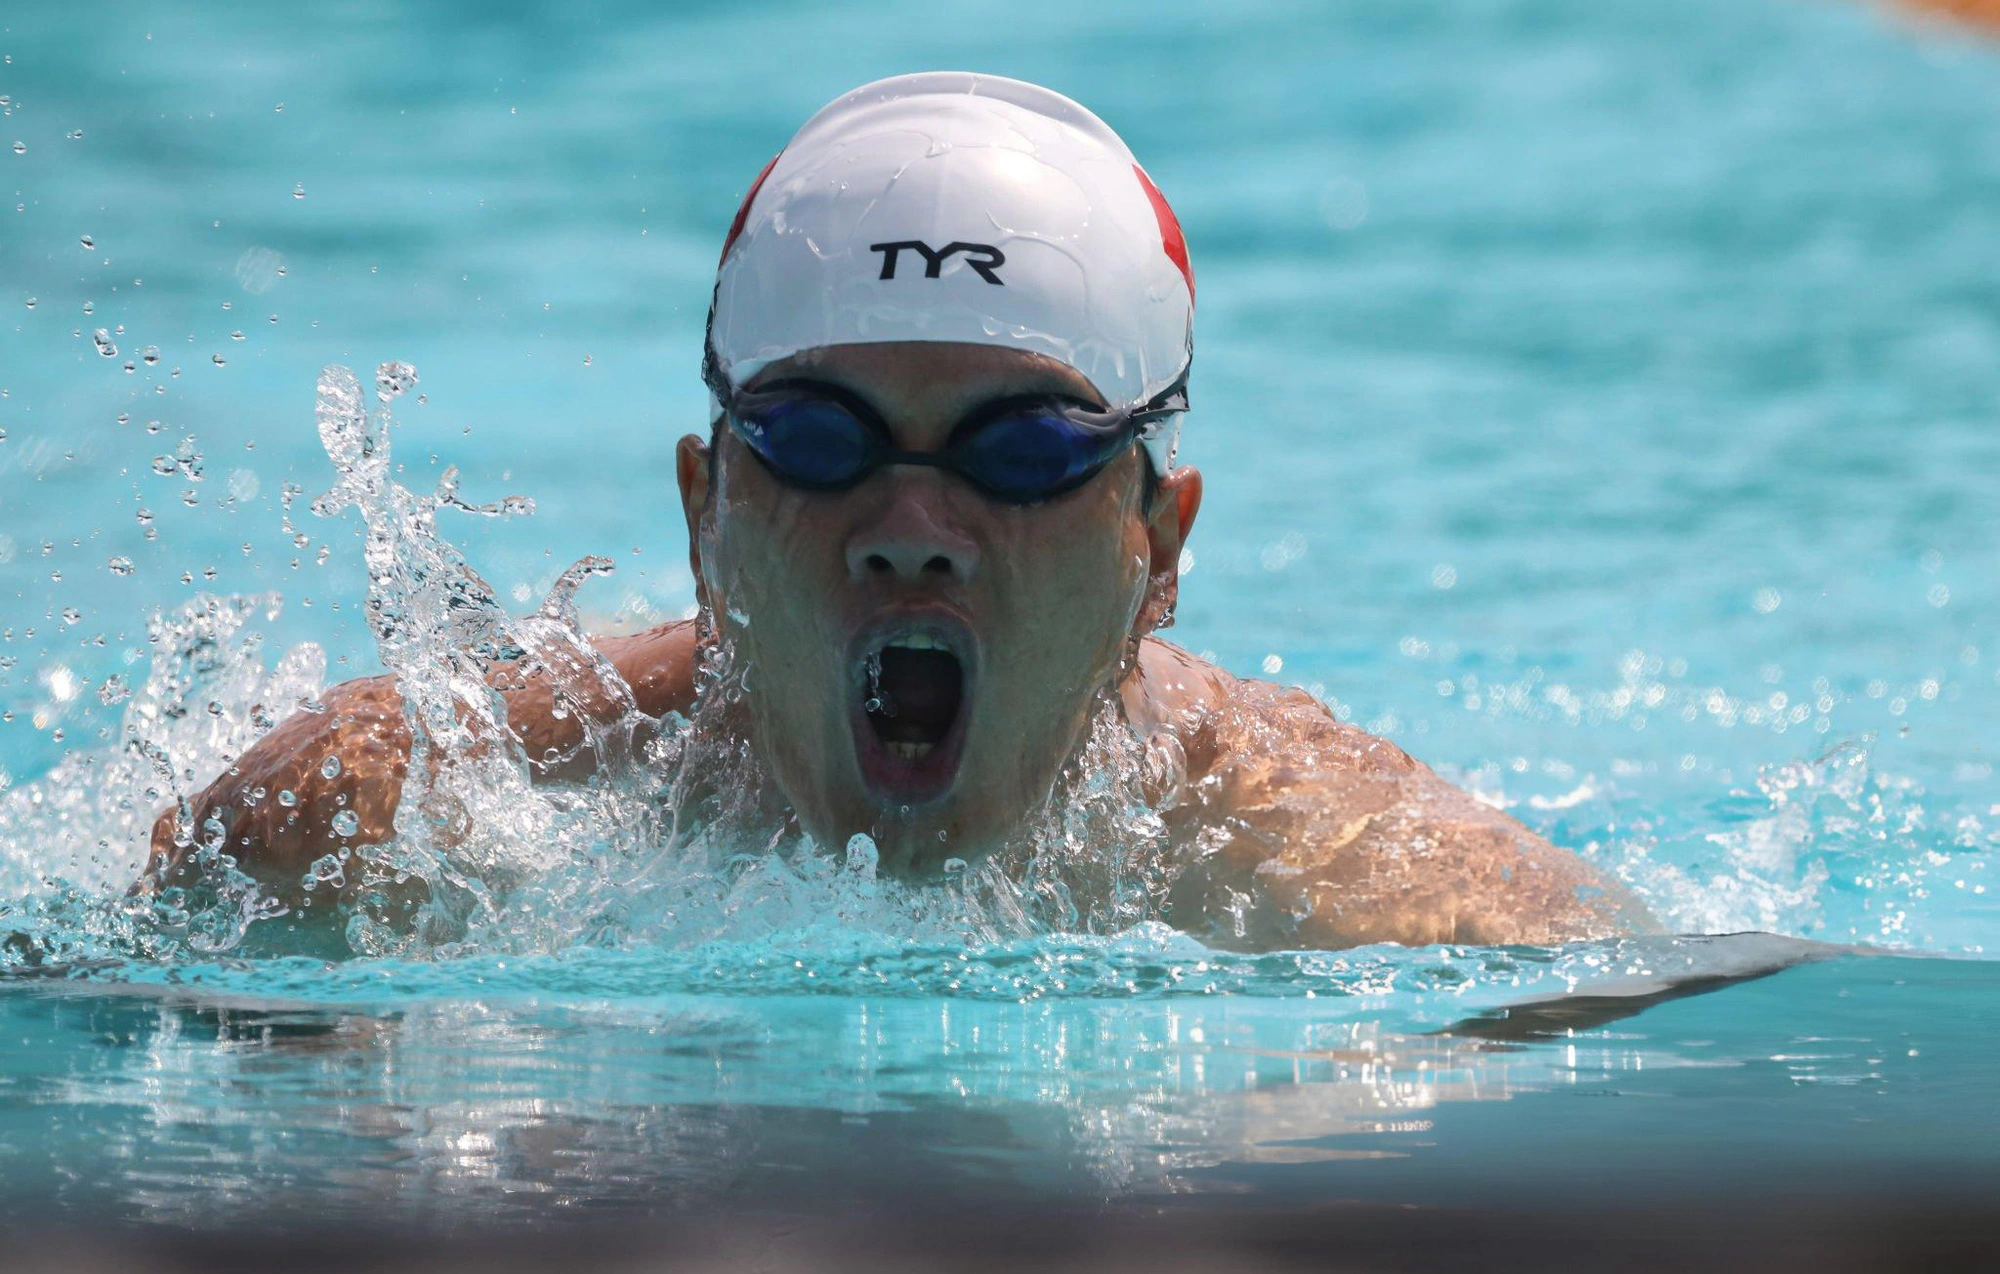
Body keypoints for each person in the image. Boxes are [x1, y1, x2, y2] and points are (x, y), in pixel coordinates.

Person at [145, 72, 1654, 951]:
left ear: (1161, 550)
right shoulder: (385, 817)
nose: (911, 522)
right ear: (706, 520)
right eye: (818, 437)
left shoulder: (1372, 888)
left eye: (1023, 448)